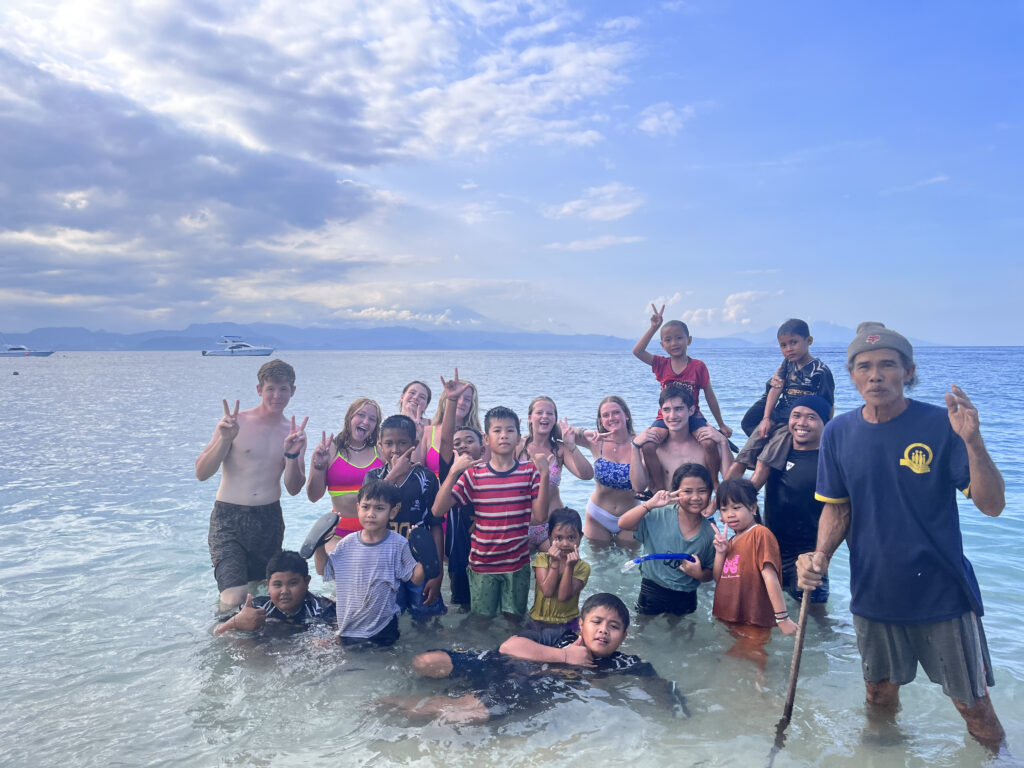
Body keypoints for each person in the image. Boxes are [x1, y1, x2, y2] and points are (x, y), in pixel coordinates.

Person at [796, 322, 1007, 748]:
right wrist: (818, 556)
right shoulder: (838, 432)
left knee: (973, 706)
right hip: (874, 592)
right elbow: (837, 508)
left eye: (888, 365)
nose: (876, 375)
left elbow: (992, 505)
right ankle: (885, 757)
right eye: (865, 366)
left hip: (942, 593)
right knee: (878, 695)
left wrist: (974, 441)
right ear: (852, 375)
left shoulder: (941, 424)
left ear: (908, 371)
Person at [395, 593, 688, 724]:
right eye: (596, 622)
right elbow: (509, 646)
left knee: (462, 713)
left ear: (623, 636)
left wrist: (678, 712)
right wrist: (565, 655)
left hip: (528, 688)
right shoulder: (558, 637)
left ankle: (387, 707)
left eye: (613, 627)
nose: (603, 631)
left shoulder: (625, 664)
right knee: (425, 661)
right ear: (581, 624)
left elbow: (661, 687)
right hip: (500, 665)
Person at [196, 359, 309, 610]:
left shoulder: (292, 432)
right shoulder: (235, 423)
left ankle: (255, 646)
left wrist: (291, 455)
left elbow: (294, 487)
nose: (277, 395)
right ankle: (223, 641)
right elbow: (202, 472)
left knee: (261, 597)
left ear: (293, 391)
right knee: (233, 597)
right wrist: (224, 440)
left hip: (269, 519)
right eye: (270, 388)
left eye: (283, 388)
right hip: (229, 519)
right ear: (259, 390)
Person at [433, 406, 550, 619]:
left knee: (515, 620)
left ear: (518, 438)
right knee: (481, 623)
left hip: (517, 564)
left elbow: (541, 517)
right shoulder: (474, 475)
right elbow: (438, 510)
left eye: (510, 430)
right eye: (497, 431)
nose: (504, 435)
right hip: (482, 565)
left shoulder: (529, 472)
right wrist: (453, 472)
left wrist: (544, 473)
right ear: (486, 438)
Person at [632, 304, 733, 489]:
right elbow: (637, 351)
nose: (674, 343)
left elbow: (710, 395)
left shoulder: (698, 366)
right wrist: (654, 327)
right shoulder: (661, 364)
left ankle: (714, 482)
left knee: (709, 443)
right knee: (647, 446)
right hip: (666, 417)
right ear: (662, 344)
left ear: (689, 340)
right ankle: (658, 486)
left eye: (679, 338)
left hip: (693, 415)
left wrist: (721, 424)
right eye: (668, 340)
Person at [749, 394, 831, 617]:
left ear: (825, 422)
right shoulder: (777, 451)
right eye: (796, 416)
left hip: (809, 557)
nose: (802, 423)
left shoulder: (829, 461)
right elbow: (749, 422)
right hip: (772, 552)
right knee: (767, 617)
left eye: (811, 417)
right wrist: (773, 391)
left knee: (816, 621)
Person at [728, 319, 834, 480]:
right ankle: (720, 500)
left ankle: (747, 499)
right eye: (783, 345)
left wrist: (823, 436)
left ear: (809, 341)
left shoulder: (820, 371)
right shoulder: (788, 364)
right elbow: (776, 389)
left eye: (794, 342)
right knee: (742, 458)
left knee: (763, 464)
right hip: (776, 417)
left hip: (791, 424)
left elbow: (828, 406)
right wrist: (766, 418)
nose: (789, 349)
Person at [324, 479, 425, 646]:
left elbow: (416, 578)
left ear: (393, 512)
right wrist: (320, 545)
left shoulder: (399, 544)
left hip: (384, 627)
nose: (371, 513)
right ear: (358, 508)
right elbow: (323, 570)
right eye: (365, 507)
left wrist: (424, 558)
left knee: (384, 665)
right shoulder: (346, 544)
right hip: (349, 627)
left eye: (379, 508)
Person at [364, 414, 444, 619]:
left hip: (420, 562)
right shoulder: (373, 477)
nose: (395, 450)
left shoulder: (426, 478)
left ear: (415, 444)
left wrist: (437, 572)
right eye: (389, 443)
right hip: (384, 563)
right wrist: (393, 475)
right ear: (379, 445)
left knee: (426, 617)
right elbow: (369, 513)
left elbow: (435, 525)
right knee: (387, 618)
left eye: (402, 443)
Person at [712, 478, 797, 670]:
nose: (730, 514)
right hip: (733, 614)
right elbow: (719, 578)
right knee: (740, 659)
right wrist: (720, 552)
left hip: (754, 615)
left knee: (752, 656)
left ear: (753, 508)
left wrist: (782, 618)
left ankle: (759, 695)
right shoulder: (732, 540)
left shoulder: (760, 534)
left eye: (736, 507)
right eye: (724, 510)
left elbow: (770, 576)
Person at [618, 463, 716, 617]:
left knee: (682, 637)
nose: (695, 497)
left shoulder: (710, 534)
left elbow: (711, 572)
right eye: (687, 491)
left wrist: (699, 574)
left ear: (710, 492)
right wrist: (650, 504)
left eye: (702, 491)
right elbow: (623, 523)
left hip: (686, 594)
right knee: (644, 631)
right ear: (676, 492)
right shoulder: (658, 515)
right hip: (652, 588)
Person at [306, 397, 383, 575]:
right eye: (361, 415)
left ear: (376, 426)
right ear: (349, 417)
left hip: (374, 528)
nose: (366, 421)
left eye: (372, 419)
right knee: (337, 580)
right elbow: (314, 496)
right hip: (339, 530)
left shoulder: (379, 452)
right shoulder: (330, 449)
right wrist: (318, 466)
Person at [429, 369, 479, 610]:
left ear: (483, 446)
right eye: (458, 444)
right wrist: (451, 400)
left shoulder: (485, 468)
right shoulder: (453, 469)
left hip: (490, 552)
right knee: (463, 607)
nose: (463, 446)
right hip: (460, 552)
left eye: (470, 441)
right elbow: (447, 440)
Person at [518, 396, 594, 551]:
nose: (545, 416)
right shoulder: (518, 446)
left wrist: (571, 445)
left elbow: (587, 475)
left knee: (557, 573)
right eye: (539, 412)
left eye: (550, 413)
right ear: (530, 418)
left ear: (555, 419)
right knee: (525, 574)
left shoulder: (560, 449)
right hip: (523, 525)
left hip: (553, 529)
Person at [630, 384, 733, 497]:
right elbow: (638, 487)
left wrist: (723, 442)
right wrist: (635, 447)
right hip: (665, 509)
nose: (672, 416)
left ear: (691, 410)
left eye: (678, 409)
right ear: (661, 412)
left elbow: (731, 482)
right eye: (667, 410)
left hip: (700, 512)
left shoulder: (706, 445)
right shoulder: (656, 448)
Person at [214, 551, 335, 635]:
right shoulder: (257, 607)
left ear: (307, 582)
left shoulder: (323, 608)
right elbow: (217, 631)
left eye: (293, 583)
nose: (284, 591)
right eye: (277, 585)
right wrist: (235, 623)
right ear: (268, 586)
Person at [572, 396, 639, 545]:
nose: (611, 418)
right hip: (598, 515)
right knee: (599, 566)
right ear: (601, 420)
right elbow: (559, 430)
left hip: (631, 514)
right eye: (605, 415)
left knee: (629, 565)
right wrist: (584, 432)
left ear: (626, 415)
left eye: (616, 412)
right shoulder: (596, 442)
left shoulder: (639, 442)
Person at [527, 508, 590, 633]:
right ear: (550, 537)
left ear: (580, 537)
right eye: (559, 538)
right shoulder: (543, 559)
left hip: (568, 622)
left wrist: (569, 566)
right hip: (538, 620)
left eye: (571, 538)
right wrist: (555, 563)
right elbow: (547, 591)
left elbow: (563, 596)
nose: (565, 544)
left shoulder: (582, 567)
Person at [421, 377, 481, 477]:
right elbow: (416, 470)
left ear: (472, 405)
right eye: (457, 397)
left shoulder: (480, 437)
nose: (461, 402)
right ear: (446, 400)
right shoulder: (426, 432)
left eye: (467, 399)